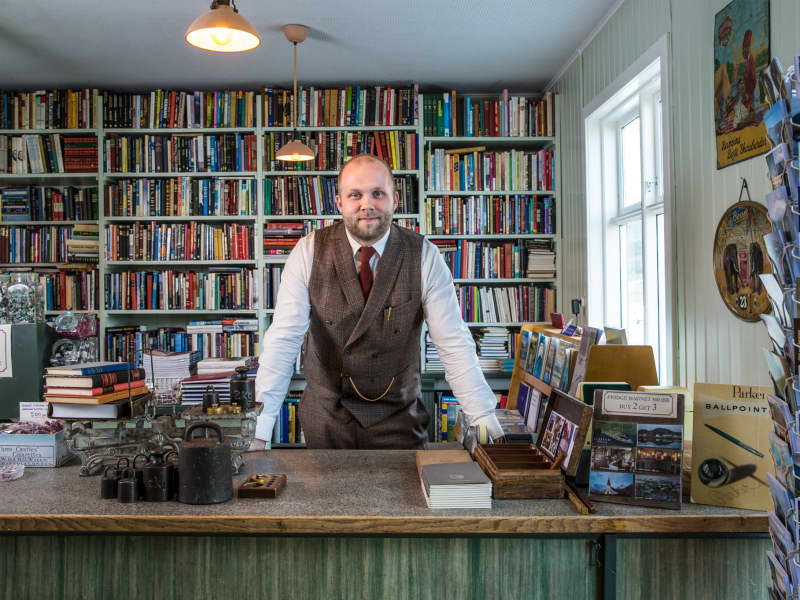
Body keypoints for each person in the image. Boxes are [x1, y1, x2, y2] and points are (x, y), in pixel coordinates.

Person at [251, 153, 503, 449]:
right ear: (339, 202)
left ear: (395, 200)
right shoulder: (307, 253)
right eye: (355, 195)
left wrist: (483, 419)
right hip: (327, 421)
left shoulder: (425, 256)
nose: (367, 204)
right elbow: (283, 340)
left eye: (378, 194)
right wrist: (259, 428)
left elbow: (453, 342)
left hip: (400, 421)